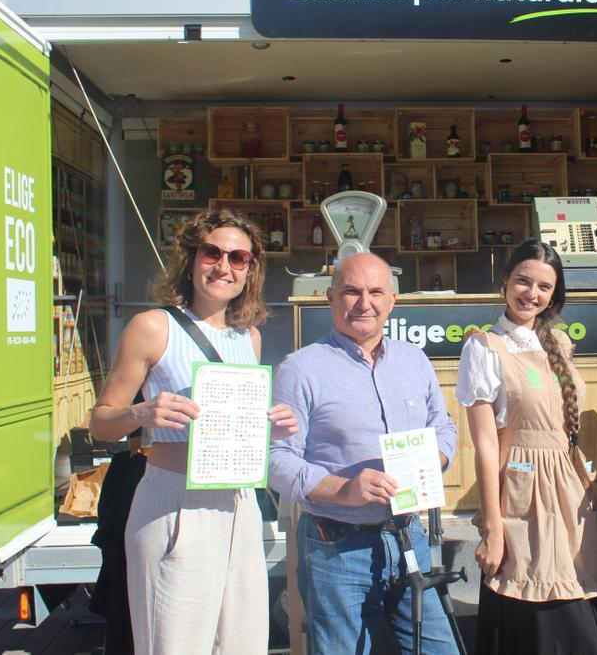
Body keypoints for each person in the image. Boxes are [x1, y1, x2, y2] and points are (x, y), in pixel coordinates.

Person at [90, 208, 299, 654]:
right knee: (175, 644)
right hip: (174, 503)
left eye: (238, 258)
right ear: (191, 258)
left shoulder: (249, 337)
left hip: (240, 503)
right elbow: (100, 422)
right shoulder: (151, 327)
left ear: (250, 271)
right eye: (213, 253)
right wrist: (143, 414)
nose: (223, 267)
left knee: (242, 643)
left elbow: (237, 427)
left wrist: (273, 427)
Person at [269, 252, 458, 655]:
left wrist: (432, 461)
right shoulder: (300, 369)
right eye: (351, 291)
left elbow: (443, 428)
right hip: (337, 546)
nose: (363, 303)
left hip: (410, 538)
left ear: (392, 300)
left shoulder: (414, 360)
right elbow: (277, 459)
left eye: (375, 292)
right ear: (329, 297)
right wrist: (342, 489)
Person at [456, 239, 597, 655]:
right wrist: (492, 526)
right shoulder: (483, 347)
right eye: (523, 281)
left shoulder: (560, 344)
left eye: (544, 287)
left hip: (569, 490)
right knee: (539, 614)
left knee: (574, 601)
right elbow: (486, 444)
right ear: (505, 280)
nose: (532, 294)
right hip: (524, 494)